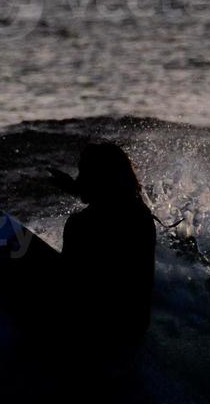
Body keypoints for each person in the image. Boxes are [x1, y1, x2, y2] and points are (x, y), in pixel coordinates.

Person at [49, 143, 156, 356]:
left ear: (99, 180)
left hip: (92, 337)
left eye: (83, 174)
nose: (78, 180)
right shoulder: (141, 214)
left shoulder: (81, 225)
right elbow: (112, 205)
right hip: (133, 329)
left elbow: (65, 287)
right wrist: (77, 189)